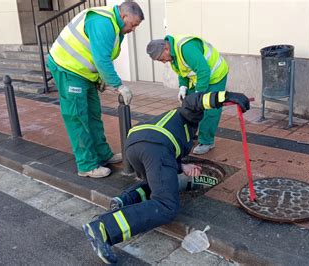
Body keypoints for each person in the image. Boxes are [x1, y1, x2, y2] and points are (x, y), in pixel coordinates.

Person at [82, 91, 250, 264]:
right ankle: (103, 229)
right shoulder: (188, 114)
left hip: (134, 144)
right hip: (156, 147)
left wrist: (182, 166)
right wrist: (227, 96)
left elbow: (167, 158)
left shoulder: (172, 120)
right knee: (167, 205)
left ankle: (124, 200)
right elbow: (195, 100)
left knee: (156, 183)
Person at [48, 2, 144, 178]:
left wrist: (100, 78)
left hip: (84, 74)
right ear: (124, 17)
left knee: (93, 115)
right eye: (133, 24)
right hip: (67, 69)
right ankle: (87, 165)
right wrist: (118, 85)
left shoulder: (115, 26)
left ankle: (103, 154)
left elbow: (101, 55)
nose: (134, 29)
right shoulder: (103, 23)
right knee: (77, 117)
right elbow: (101, 60)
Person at [146, 35, 229, 155]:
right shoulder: (173, 56)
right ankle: (191, 134)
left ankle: (207, 141)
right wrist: (183, 87)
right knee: (189, 105)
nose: (164, 62)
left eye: (161, 59)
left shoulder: (186, 48)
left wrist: (199, 93)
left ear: (166, 49)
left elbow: (203, 70)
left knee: (210, 108)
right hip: (201, 77)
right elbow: (183, 71)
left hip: (216, 75)